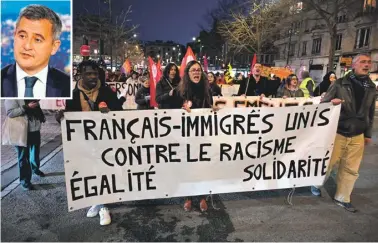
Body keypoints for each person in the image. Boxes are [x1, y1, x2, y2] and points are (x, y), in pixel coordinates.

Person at [56, 60, 122, 225]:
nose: (93, 77)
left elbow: (119, 114)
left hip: (104, 142)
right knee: (89, 173)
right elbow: (69, 118)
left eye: (95, 73)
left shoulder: (107, 92)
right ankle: (97, 201)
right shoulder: (73, 94)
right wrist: (60, 117)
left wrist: (110, 112)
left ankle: (103, 206)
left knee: (103, 172)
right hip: (84, 143)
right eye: (88, 74)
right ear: (81, 75)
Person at [311, 53, 376, 213]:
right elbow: (323, 104)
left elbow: (369, 112)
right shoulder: (340, 84)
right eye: (362, 62)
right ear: (353, 65)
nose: (366, 65)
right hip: (338, 132)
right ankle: (315, 183)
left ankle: (343, 197)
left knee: (351, 169)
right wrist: (330, 103)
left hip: (358, 134)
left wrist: (367, 133)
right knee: (328, 164)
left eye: (368, 62)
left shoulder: (372, 87)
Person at [1, 5, 70, 98]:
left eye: (37, 40)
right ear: (14, 36)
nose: (27, 46)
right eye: (22, 36)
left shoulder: (67, 86)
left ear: (54, 47)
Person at [175, 60, 216, 212]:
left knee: (202, 165)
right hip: (186, 133)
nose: (196, 72)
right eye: (193, 70)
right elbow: (171, 110)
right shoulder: (181, 90)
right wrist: (181, 109)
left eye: (198, 70)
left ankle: (202, 196)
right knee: (187, 165)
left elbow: (210, 106)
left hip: (203, 133)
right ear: (188, 73)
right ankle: (188, 197)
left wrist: (214, 109)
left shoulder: (207, 89)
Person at [4, 99, 46, 190]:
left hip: (35, 129)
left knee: (35, 151)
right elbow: (10, 113)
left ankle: (35, 169)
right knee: (24, 157)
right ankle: (25, 181)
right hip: (22, 131)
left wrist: (41, 115)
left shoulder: (30, 93)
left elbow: (36, 106)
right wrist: (26, 107)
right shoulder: (12, 95)